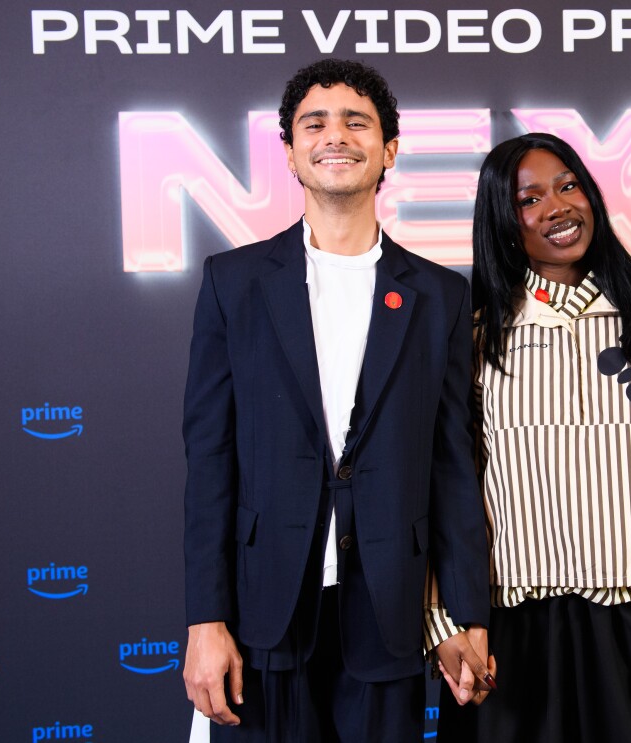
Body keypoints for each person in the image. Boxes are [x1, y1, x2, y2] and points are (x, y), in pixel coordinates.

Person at [181, 58, 493, 743]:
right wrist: (205, 619)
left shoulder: (438, 295)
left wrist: (467, 611)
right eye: (314, 122)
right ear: (289, 150)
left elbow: (452, 463)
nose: (336, 135)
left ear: (389, 150)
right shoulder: (234, 283)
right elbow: (209, 460)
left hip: (387, 607)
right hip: (265, 609)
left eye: (358, 121)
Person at [432, 133, 631, 742]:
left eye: (568, 186)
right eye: (529, 199)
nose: (558, 207)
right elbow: (440, 489)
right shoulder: (471, 338)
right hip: (506, 639)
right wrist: (444, 623)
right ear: (502, 221)